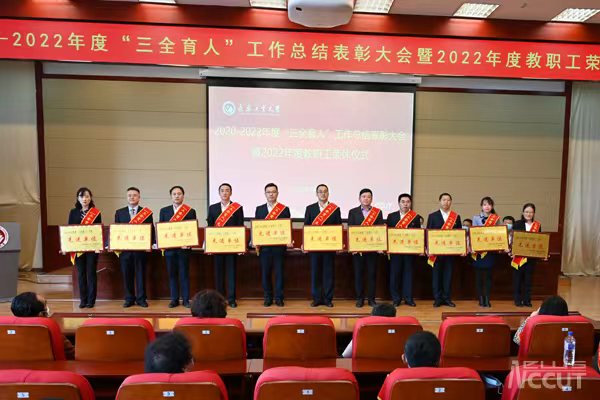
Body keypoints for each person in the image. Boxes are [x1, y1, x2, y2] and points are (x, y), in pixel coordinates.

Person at [304, 184, 342, 308]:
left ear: (328, 193)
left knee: (328, 274)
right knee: (315, 273)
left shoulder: (335, 209)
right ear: (316, 194)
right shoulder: (310, 208)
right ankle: (316, 298)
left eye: (325, 191)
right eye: (320, 192)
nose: (323, 194)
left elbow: (338, 227)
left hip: (329, 248)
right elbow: (306, 227)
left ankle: (327, 299)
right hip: (314, 248)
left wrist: (339, 243)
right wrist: (305, 243)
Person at [207, 183, 244, 308]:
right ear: (219, 193)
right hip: (217, 247)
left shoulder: (237, 208)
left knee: (231, 273)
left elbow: (240, 226)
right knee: (219, 274)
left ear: (231, 193)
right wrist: (209, 245)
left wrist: (240, 245)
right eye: (222, 190)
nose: (225, 192)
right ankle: (220, 299)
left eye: (227, 190)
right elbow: (210, 227)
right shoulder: (213, 208)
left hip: (232, 247)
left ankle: (232, 299)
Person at [114, 187, 153, 308]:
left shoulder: (146, 213)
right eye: (129, 195)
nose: (132, 197)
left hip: (140, 250)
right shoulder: (119, 212)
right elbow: (116, 231)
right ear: (127, 197)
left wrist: (150, 244)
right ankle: (129, 298)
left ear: (139, 197)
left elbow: (151, 230)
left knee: (141, 274)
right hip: (125, 251)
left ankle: (141, 299)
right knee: (127, 275)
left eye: (135, 195)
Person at [159, 186, 197, 309]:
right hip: (169, 250)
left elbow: (192, 230)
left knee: (184, 274)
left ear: (183, 196)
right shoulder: (164, 211)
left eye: (179, 194)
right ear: (171, 196)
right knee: (172, 275)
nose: (177, 196)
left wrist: (189, 242)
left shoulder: (190, 211)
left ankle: (186, 300)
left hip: (184, 250)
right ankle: (174, 299)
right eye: (174, 194)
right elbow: (161, 230)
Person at [255, 183, 291, 307]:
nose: (271, 194)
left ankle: (279, 298)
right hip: (265, 248)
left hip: (279, 248)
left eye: (273, 192)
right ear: (265, 194)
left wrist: (288, 239)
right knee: (266, 274)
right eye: (268, 192)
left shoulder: (284, 209)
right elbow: (257, 228)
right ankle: (268, 298)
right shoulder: (259, 209)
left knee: (279, 274)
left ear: (277, 193)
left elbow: (286, 228)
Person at [348, 188, 384, 308]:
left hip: (372, 251)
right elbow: (351, 230)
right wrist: (352, 247)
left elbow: (380, 231)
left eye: (368, 197)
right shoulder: (353, 212)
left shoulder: (377, 212)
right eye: (364, 196)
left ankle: (371, 299)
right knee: (358, 275)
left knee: (372, 275)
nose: (366, 199)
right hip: (358, 251)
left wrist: (380, 246)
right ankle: (360, 299)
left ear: (371, 199)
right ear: (359, 198)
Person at [11, 292, 75, 359]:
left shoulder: (8, 333)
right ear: (41, 314)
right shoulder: (51, 332)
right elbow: (73, 355)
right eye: (45, 304)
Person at [426, 193, 462, 308]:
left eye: (448, 200)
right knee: (436, 276)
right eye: (444, 200)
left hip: (450, 252)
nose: (446, 202)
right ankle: (437, 299)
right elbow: (428, 233)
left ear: (451, 202)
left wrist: (461, 248)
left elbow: (459, 235)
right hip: (436, 253)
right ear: (439, 201)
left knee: (448, 276)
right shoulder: (432, 216)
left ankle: (447, 298)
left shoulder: (456, 217)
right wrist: (428, 248)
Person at [386, 193, 422, 307]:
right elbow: (387, 233)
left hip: (409, 252)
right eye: (403, 202)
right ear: (399, 203)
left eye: (407, 202)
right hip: (395, 251)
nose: (405, 204)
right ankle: (396, 299)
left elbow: (418, 235)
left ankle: (408, 298)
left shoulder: (415, 217)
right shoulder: (391, 216)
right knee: (395, 275)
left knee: (408, 275)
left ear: (410, 203)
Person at [68, 187, 101, 309]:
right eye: (82, 196)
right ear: (78, 198)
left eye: (87, 196)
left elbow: (98, 230)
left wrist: (98, 246)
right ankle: (83, 300)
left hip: (92, 248)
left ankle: (91, 300)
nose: (84, 199)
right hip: (78, 248)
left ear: (90, 198)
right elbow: (69, 230)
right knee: (81, 274)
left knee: (91, 273)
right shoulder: (73, 212)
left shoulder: (96, 212)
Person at [471, 196, 502, 308]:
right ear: (481, 206)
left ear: (492, 206)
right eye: (484, 204)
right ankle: (481, 298)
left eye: (489, 204)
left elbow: (499, 234)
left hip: (489, 252)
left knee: (488, 277)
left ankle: (487, 298)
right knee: (479, 277)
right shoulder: (475, 218)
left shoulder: (496, 219)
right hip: (479, 252)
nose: (487, 206)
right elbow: (473, 234)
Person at [512, 203, 541, 307]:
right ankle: (517, 300)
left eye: (531, 212)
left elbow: (539, 240)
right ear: (523, 212)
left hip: (531, 257)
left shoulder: (537, 225)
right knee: (518, 279)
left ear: (534, 213)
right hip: (519, 257)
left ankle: (527, 300)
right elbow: (513, 238)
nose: (529, 214)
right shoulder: (517, 224)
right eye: (527, 212)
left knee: (528, 280)